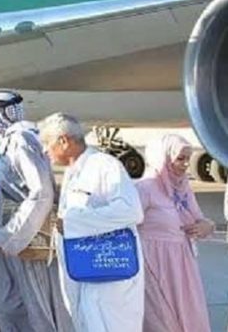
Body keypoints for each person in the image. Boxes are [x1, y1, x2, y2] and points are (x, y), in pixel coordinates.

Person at [39, 112, 145, 332]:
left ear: (63, 141)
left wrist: (73, 222)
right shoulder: (73, 172)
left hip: (110, 276)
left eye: (47, 143)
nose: (45, 150)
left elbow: (131, 210)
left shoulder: (104, 166)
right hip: (84, 272)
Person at [0, 91, 73, 332]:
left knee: (38, 309)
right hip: (11, 244)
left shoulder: (21, 141)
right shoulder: (9, 142)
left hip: (27, 242)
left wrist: (12, 236)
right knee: (12, 308)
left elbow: (42, 191)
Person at [135, 134, 214, 332]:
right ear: (164, 157)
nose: (186, 164)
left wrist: (206, 226)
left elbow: (200, 218)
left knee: (189, 316)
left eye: (188, 158)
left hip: (182, 266)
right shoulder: (145, 188)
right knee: (161, 320)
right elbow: (127, 223)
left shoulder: (182, 187)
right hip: (154, 265)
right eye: (180, 158)